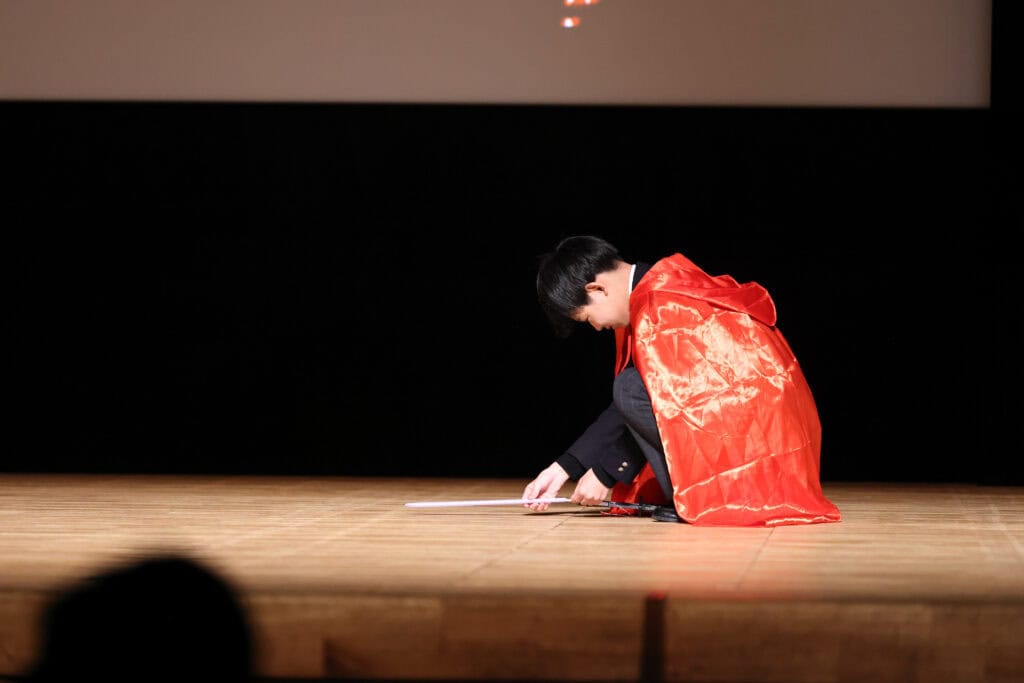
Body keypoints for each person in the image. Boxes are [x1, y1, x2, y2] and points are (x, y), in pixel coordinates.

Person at [523, 235, 841, 526]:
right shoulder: (664, 285)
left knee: (630, 387)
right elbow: (651, 401)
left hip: (759, 439)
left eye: (588, 318)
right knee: (633, 388)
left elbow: (659, 400)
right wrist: (564, 467)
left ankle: (708, 497)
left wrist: (606, 472)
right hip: (770, 432)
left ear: (597, 289)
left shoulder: (663, 307)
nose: (596, 328)